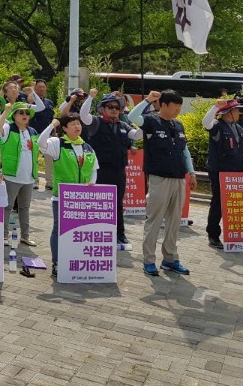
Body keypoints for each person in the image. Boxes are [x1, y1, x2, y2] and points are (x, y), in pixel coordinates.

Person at [127, 90, 197, 277]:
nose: (178, 111)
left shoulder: (179, 125)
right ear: (163, 105)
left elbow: (185, 151)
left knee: (175, 222)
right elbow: (133, 116)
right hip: (159, 179)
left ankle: (171, 259)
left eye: (180, 107)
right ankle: (149, 260)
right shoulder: (150, 121)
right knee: (154, 220)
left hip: (179, 178)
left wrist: (191, 172)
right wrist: (148, 100)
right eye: (175, 107)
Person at [37, 113, 98, 277]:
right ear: (64, 128)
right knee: (59, 229)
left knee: (79, 231)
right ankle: (57, 262)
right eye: (72, 124)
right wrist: (51, 125)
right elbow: (40, 142)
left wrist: (92, 182)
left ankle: (75, 260)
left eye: (78, 123)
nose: (77, 126)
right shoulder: (58, 143)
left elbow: (94, 169)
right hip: (62, 197)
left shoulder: (87, 147)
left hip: (83, 198)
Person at [80, 90, 143, 250]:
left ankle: (119, 234)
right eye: (110, 107)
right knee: (98, 204)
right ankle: (97, 232)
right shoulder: (95, 122)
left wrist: (146, 122)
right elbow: (83, 115)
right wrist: (91, 97)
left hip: (119, 171)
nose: (114, 109)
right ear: (102, 109)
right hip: (100, 171)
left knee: (118, 204)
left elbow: (137, 136)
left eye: (116, 107)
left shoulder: (123, 125)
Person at [202, 98, 243, 249]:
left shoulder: (239, 128)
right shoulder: (217, 126)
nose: (239, 112)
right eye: (237, 110)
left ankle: (236, 235)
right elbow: (206, 123)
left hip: (236, 171)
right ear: (229, 112)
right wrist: (215, 107)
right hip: (219, 171)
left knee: (236, 204)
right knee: (218, 203)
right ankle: (213, 235)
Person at [0, 102, 37, 246]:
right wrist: (6, 110)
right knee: (7, 207)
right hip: (11, 175)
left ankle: (25, 236)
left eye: (27, 113)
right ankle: (3, 235)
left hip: (29, 177)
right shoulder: (9, 128)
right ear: (14, 115)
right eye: (21, 113)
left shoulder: (32, 131)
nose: (25, 115)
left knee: (24, 207)